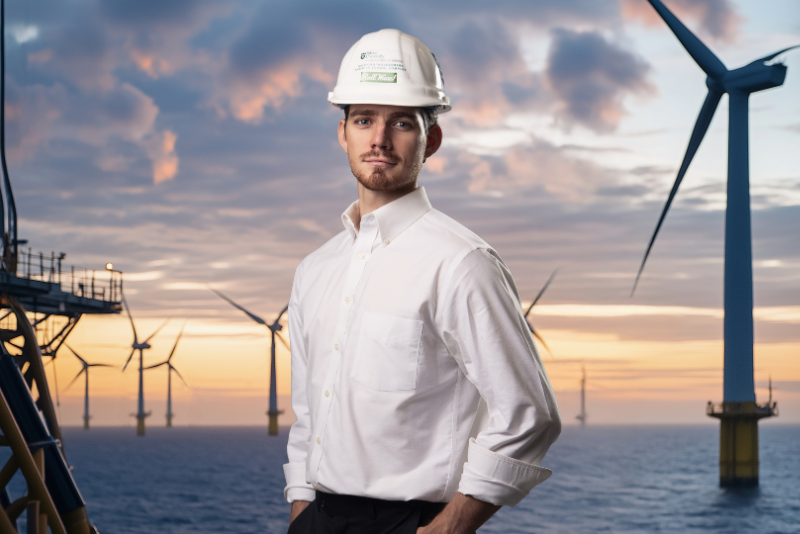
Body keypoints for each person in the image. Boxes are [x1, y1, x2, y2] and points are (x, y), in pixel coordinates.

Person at [284, 29, 561, 534]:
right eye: (364, 119)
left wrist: (452, 526)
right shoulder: (314, 270)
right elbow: (308, 414)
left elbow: (529, 413)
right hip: (317, 519)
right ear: (342, 132)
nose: (380, 140)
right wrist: (302, 506)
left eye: (402, 123)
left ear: (431, 139)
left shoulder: (461, 262)